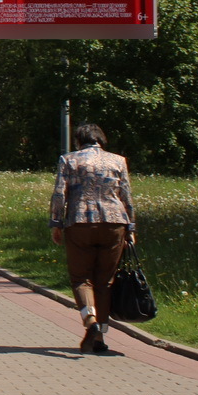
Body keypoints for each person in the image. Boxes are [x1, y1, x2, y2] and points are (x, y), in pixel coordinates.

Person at [49, 123, 135, 354]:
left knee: (81, 278)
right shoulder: (118, 161)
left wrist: (56, 223)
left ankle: (90, 319)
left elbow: (59, 193)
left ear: (79, 140)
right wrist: (131, 228)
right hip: (114, 223)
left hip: (79, 222)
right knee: (105, 281)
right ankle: (100, 338)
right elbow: (126, 195)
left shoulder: (68, 160)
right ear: (101, 139)